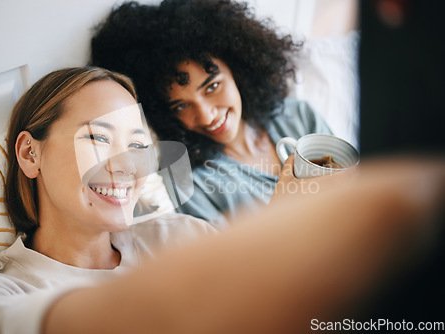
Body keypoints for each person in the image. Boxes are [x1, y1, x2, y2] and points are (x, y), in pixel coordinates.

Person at [0, 67, 444, 334]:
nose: (126, 167)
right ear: (30, 154)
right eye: (98, 138)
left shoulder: (181, 233)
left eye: (138, 145)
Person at [90, 0, 333, 228]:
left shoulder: (299, 117)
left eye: (212, 86)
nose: (207, 117)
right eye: (181, 106)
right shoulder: (191, 184)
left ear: (237, 67)